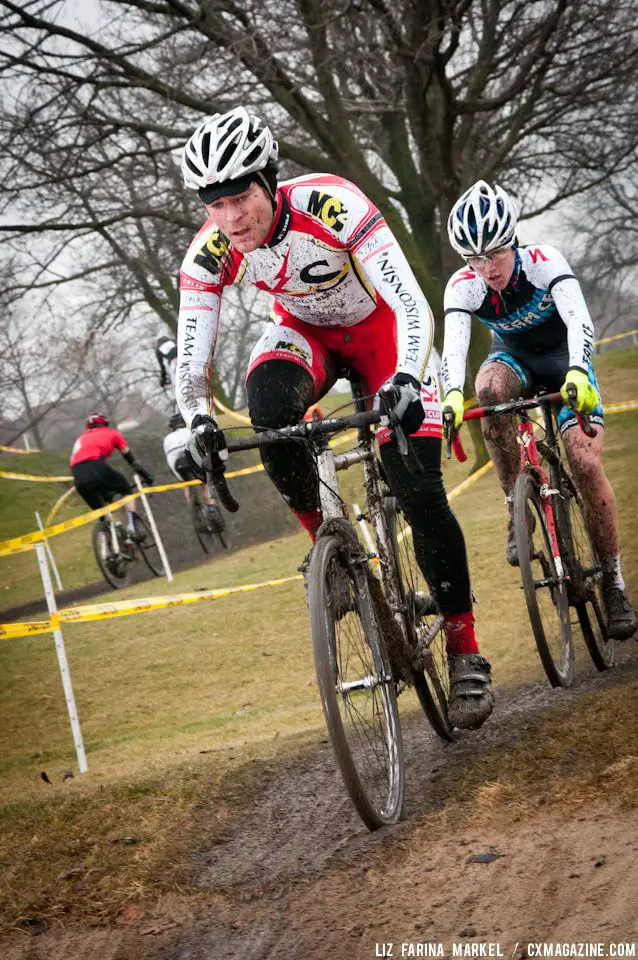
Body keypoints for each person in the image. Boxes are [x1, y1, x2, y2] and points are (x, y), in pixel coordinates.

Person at [175, 106, 494, 729]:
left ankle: (464, 649)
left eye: (241, 196)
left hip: (384, 334)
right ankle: (331, 550)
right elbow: (193, 358)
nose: (231, 217)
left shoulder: (333, 206)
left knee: (418, 487)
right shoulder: (210, 252)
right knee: (267, 408)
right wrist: (195, 420)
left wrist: (405, 379)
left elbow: (409, 301)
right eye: (215, 204)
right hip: (307, 336)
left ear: (268, 180)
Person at [440, 180, 636, 641]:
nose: (485, 268)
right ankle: (518, 507)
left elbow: (578, 320)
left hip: (564, 361)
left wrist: (580, 372)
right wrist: (451, 393)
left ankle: (613, 580)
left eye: (493, 255)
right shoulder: (465, 285)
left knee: (584, 461)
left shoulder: (545, 262)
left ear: (512, 242)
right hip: (516, 360)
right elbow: (454, 347)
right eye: (473, 258)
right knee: (487, 388)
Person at [70, 414, 154, 542]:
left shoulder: (80, 439)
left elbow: (75, 460)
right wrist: (146, 476)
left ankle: (107, 550)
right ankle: (132, 528)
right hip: (97, 466)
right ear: (105, 424)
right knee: (126, 490)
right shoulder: (113, 433)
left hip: (78, 474)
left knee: (102, 515)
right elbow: (131, 460)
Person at [163, 411, 222, 520]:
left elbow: (169, 458)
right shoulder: (190, 431)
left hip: (176, 463)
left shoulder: (168, 438)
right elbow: (202, 449)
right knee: (205, 481)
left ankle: (195, 509)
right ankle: (211, 505)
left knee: (186, 484)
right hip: (191, 457)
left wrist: (179, 478)